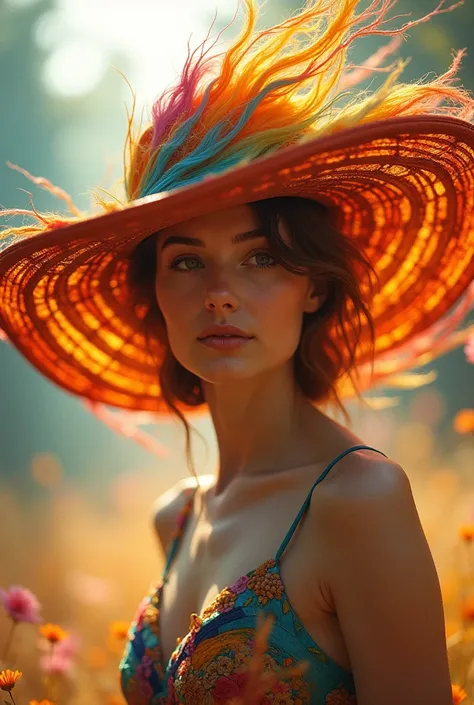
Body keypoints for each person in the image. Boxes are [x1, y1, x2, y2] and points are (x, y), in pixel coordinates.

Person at [0, 0, 473, 703]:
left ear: (312, 287)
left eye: (259, 259)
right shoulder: (177, 516)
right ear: (154, 294)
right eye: (188, 263)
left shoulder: (358, 500)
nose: (220, 294)